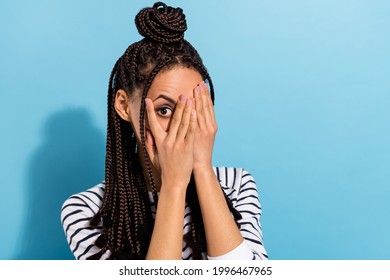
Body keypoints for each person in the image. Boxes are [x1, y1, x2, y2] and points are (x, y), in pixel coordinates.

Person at [61, 1, 268, 260]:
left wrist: (202, 169)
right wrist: (173, 185)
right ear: (124, 106)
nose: (184, 125)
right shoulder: (87, 210)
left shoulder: (235, 186)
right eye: (164, 110)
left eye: (195, 108)